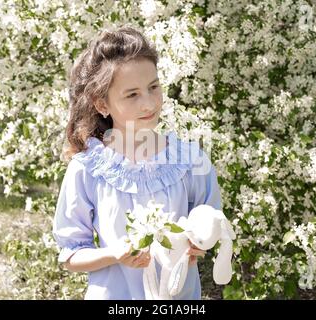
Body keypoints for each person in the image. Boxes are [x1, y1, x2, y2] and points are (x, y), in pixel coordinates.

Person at [52, 25, 222, 300]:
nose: (149, 103)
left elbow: (210, 224)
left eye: (153, 87)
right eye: (132, 94)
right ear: (102, 104)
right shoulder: (86, 170)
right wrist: (115, 254)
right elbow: (71, 254)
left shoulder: (190, 161)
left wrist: (198, 244)